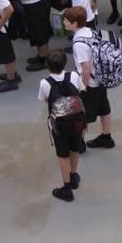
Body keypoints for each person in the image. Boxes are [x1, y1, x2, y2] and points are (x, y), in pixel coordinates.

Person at [37, 49, 86, 202]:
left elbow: (45, 99)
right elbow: (80, 90)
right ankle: (74, 175)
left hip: (60, 126)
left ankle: (66, 188)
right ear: (65, 63)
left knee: (62, 155)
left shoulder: (45, 83)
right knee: (75, 148)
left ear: (47, 65)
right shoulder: (73, 75)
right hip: (77, 121)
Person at [65, 7, 116, 149]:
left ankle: (78, 144)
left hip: (90, 84)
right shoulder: (91, 32)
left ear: (74, 24)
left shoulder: (79, 44)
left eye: (66, 20)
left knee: (81, 115)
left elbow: (85, 69)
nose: (64, 22)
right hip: (101, 78)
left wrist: (82, 88)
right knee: (104, 109)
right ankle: (107, 137)